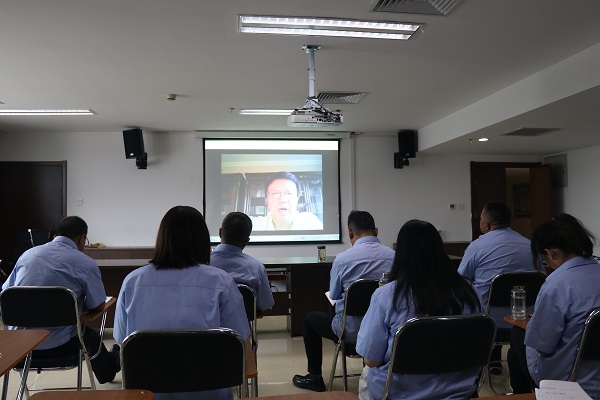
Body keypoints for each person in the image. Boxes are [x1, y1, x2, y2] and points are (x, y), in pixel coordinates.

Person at [113, 206, 250, 400]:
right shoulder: (222, 281)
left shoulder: (132, 282)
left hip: (149, 393)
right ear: (203, 240)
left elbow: (124, 341)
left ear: (162, 238)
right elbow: (239, 347)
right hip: (210, 392)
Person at [356, 220, 482, 400]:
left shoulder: (386, 296)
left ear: (402, 254)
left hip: (399, 394)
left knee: (367, 373)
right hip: (459, 393)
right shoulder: (470, 292)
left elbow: (371, 360)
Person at [1, 216, 120, 384]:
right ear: (81, 239)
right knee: (89, 336)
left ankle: (111, 360)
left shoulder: (27, 255)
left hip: (20, 346)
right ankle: (109, 369)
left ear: (55, 236)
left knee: (85, 334)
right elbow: (98, 305)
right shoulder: (85, 262)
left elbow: (6, 293)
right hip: (61, 346)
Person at [292, 210, 395, 392]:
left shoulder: (342, 259)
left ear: (350, 232)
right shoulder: (394, 256)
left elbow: (334, 294)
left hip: (350, 332)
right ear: (376, 231)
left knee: (310, 319)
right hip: (386, 331)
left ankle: (315, 377)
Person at [507, 213, 600, 399]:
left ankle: (522, 393)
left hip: (572, 383)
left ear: (551, 253)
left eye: (544, 260)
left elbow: (542, 346)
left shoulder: (556, 286)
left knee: (518, 335)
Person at [458, 201, 544, 374]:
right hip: (524, 321)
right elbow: (541, 277)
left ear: (486, 224)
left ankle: (489, 361)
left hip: (489, 321)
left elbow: (461, 279)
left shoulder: (477, 247)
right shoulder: (529, 245)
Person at [210, 212, 274, 312]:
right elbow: (264, 305)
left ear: (220, 232)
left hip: (210, 321)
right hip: (243, 321)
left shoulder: (202, 263)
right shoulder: (256, 267)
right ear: (246, 241)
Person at [251, 171, 323, 230]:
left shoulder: (309, 221)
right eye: (275, 193)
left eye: (289, 194)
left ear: (297, 199)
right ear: (267, 200)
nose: (282, 200)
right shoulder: (255, 225)